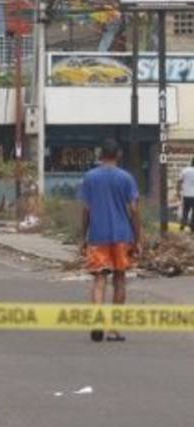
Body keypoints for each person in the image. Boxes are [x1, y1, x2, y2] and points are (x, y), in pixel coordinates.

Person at [79, 138, 142, 343]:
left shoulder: (90, 177)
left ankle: (97, 321)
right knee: (120, 280)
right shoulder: (126, 178)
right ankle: (114, 329)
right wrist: (138, 238)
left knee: (99, 279)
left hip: (98, 236)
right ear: (119, 155)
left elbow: (86, 210)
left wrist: (83, 237)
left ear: (100, 155)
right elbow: (134, 210)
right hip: (122, 236)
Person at [177, 158, 194, 231]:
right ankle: (192, 226)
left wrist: (177, 191)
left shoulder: (185, 170)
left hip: (186, 194)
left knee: (185, 210)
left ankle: (183, 225)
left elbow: (179, 182)